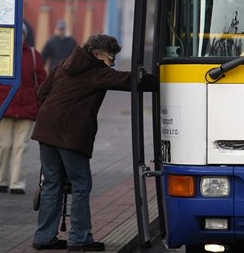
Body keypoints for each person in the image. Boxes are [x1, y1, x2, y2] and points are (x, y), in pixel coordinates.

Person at [31, 34, 156, 251]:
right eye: (110, 58)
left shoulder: (64, 64)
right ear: (97, 54)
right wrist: (167, 79)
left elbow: (42, 92)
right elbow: (130, 80)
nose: (112, 63)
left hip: (45, 130)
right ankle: (79, 239)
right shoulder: (96, 71)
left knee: (52, 183)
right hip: (70, 135)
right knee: (81, 184)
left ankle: (44, 237)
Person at [0, 23, 47, 195]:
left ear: (25, 36)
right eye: (16, 34)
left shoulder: (34, 55)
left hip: (27, 107)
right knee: (4, 145)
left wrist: (42, 102)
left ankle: (17, 183)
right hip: (5, 106)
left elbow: (42, 80)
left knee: (21, 146)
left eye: (22, 34)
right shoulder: (3, 52)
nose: (19, 38)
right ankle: (2, 179)